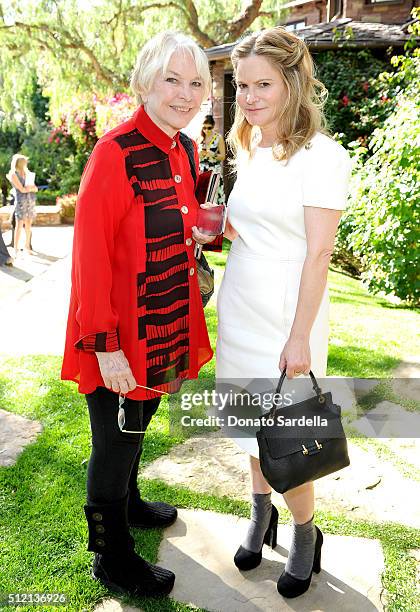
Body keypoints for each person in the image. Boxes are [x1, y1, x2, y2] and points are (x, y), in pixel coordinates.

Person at [61, 31, 218, 598]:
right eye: (172, 79)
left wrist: (205, 224)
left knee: (139, 422)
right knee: (115, 439)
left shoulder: (184, 148)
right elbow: (91, 259)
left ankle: (129, 502)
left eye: (196, 81)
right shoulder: (116, 151)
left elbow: (176, 215)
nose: (185, 92)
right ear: (145, 82)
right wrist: (105, 345)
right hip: (118, 333)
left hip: (166, 319)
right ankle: (112, 556)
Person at [216, 27, 352, 599]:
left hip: (286, 317)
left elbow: (318, 252)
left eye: (262, 84)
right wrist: (222, 224)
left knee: (291, 435)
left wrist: (300, 337)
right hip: (241, 305)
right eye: (242, 85)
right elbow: (250, 223)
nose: (248, 97)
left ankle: (303, 534)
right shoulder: (251, 146)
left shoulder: (323, 157)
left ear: (293, 83)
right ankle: (258, 516)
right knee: (250, 427)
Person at [6, 154, 37, 256]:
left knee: (28, 226)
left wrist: (30, 188)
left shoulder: (28, 173)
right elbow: (22, 189)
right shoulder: (13, 174)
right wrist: (29, 188)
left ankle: (27, 247)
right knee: (19, 226)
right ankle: (15, 249)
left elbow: (35, 189)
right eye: (24, 162)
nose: (26, 163)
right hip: (21, 203)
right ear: (20, 163)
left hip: (30, 201)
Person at [198, 114, 226, 205]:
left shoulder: (218, 138)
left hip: (214, 170)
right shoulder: (200, 138)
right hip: (202, 171)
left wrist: (213, 154)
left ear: (213, 126)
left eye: (209, 128)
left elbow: (222, 156)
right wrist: (200, 155)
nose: (206, 130)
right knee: (203, 197)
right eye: (204, 128)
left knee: (215, 197)